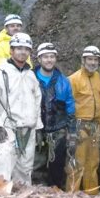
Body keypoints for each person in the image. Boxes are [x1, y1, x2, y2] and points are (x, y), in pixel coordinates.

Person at [0, 32, 43, 185]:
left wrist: (38, 127)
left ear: (30, 52)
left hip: (28, 129)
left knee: (25, 169)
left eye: (26, 49)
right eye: (18, 48)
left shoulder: (31, 76)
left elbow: (37, 102)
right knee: (4, 161)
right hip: (7, 127)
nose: (22, 52)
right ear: (11, 50)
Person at [66, 46, 100, 195]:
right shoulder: (73, 79)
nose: (92, 62)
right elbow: (67, 104)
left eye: (95, 59)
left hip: (95, 126)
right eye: (89, 59)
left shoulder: (98, 77)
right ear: (83, 60)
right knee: (76, 163)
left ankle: (92, 195)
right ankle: (71, 196)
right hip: (79, 125)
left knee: (93, 163)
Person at [33, 42, 76, 189]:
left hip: (57, 131)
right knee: (34, 167)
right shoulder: (30, 78)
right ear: (39, 59)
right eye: (45, 57)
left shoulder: (63, 81)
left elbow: (70, 107)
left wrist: (72, 131)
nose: (49, 60)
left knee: (57, 168)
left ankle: (55, 195)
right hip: (34, 130)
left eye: (52, 57)